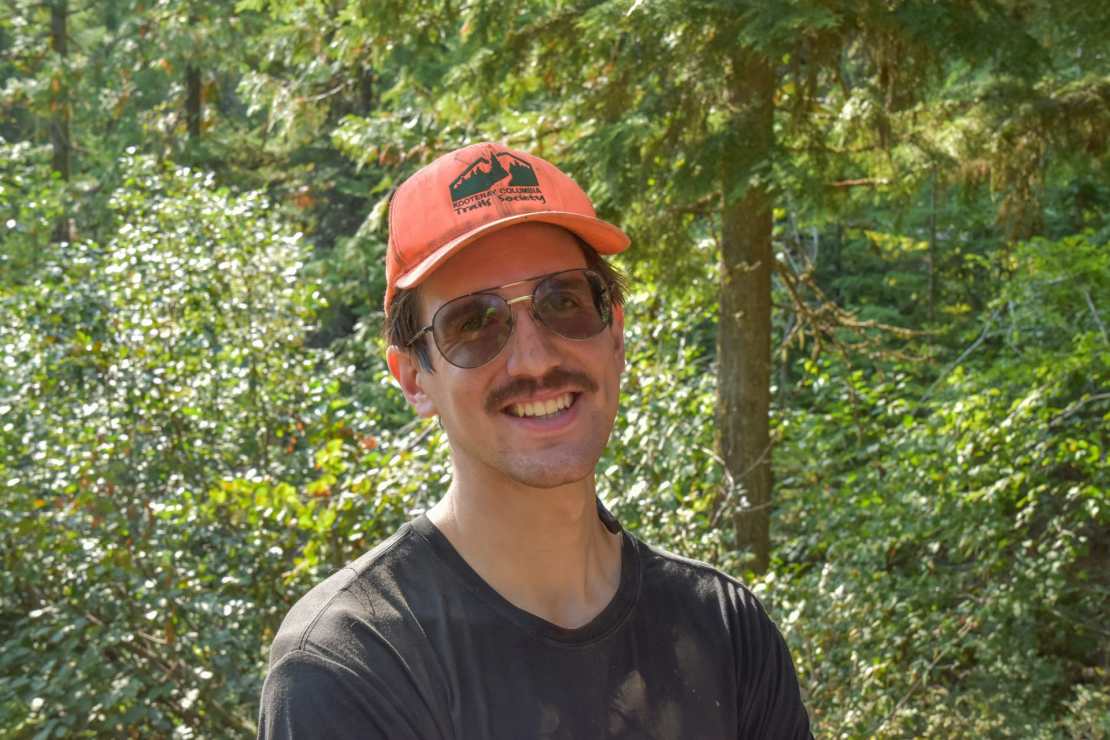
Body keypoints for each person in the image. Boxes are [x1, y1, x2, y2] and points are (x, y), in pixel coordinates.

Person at [258, 142, 812, 739]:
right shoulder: (353, 665)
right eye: (474, 323)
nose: (534, 359)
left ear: (615, 334)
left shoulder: (725, 630)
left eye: (564, 302)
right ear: (414, 379)